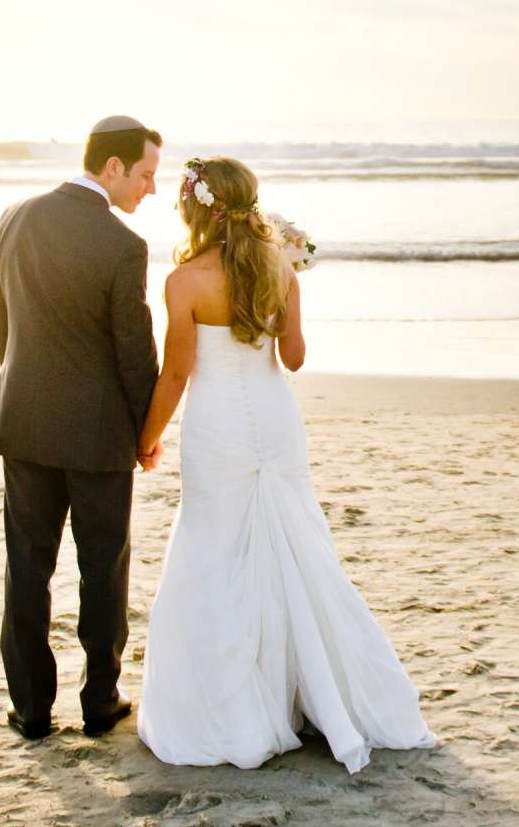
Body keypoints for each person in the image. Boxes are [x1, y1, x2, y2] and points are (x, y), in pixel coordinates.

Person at [133, 155, 435, 773]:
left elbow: (177, 372)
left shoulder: (184, 281)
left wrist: (146, 439)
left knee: (214, 552)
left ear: (198, 208)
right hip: (274, 421)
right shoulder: (281, 269)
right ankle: (309, 695)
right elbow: (294, 358)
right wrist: (284, 293)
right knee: (295, 546)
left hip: (217, 425)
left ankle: (243, 707)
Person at [0, 116, 161, 740]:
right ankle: (99, 702)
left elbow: (0, 319)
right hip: (99, 435)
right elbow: (135, 352)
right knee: (102, 568)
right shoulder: (121, 245)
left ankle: (30, 709)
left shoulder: (14, 218)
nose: (150, 189)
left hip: (22, 420)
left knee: (26, 565)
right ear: (112, 167)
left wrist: (25, 381)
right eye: (145, 174)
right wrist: (146, 430)